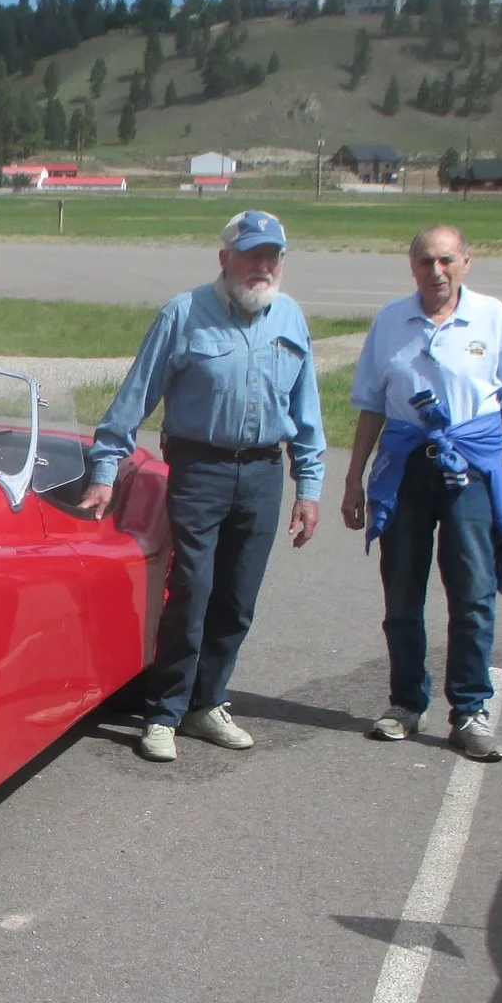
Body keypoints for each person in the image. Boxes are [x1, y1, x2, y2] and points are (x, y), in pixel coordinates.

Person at [81, 208, 325, 762]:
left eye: (273, 256)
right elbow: (133, 399)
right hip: (200, 471)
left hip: (263, 474)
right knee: (191, 591)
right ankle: (163, 713)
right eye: (252, 255)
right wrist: (103, 471)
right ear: (225, 259)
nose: (262, 266)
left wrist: (308, 487)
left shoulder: (290, 319)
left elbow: (307, 415)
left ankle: (206, 704)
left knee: (238, 599)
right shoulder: (183, 314)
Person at [339, 224, 502, 762]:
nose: (437, 271)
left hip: (469, 468)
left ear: (466, 262)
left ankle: (469, 710)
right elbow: (371, 406)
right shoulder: (390, 321)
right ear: (412, 267)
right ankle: (405, 702)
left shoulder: (492, 319)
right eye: (426, 261)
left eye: (447, 260)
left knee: (472, 592)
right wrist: (355, 479)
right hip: (406, 465)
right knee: (402, 590)